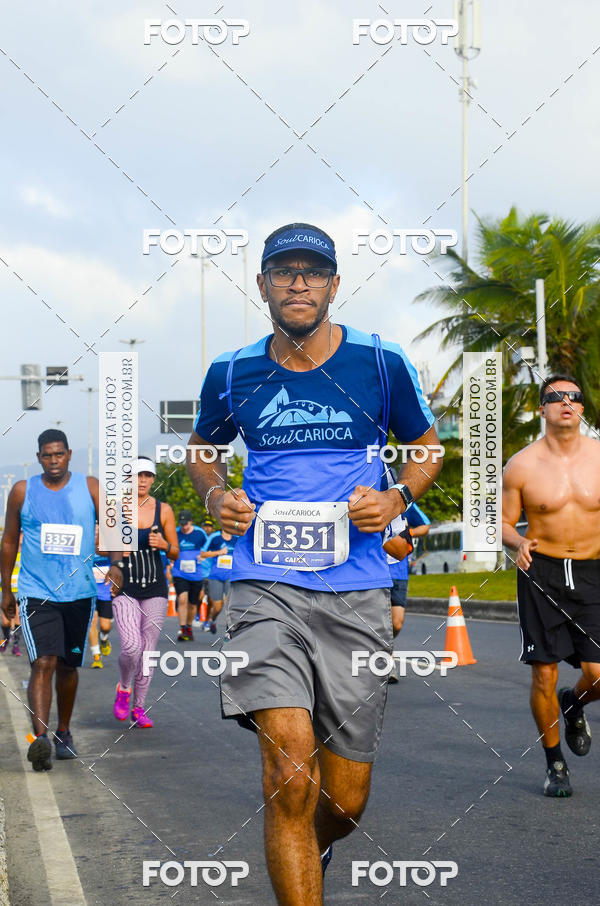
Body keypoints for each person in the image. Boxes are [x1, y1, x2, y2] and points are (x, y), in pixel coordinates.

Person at [187, 222, 442, 904]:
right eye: (284, 271)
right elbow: (201, 451)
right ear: (263, 284)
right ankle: (297, 839)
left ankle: (311, 840)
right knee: (291, 773)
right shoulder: (234, 371)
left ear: (333, 284)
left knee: (345, 801)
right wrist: (217, 497)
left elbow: (428, 448)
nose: (298, 283)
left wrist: (396, 498)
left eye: (312, 272)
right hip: (265, 584)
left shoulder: (380, 363)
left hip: (356, 590)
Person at [0, 429, 123, 771]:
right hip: (36, 590)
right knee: (43, 663)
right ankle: (40, 738)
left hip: (79, 592)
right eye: (46, 455)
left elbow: (113, 528)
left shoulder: (91, 487)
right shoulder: (23, 491)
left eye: (59, 454)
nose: (53, 461)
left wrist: (116, 565)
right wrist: (5, 589)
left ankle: (63, 733)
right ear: (39, 457)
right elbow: (9, 540)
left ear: (69, 454)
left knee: (68, 665)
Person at [502, 374, 600, 798]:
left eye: (573, 397)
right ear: (542, 409)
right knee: (544, 674)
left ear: (581, 409)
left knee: (598, 675)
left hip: (594, 572)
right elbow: (502, 523)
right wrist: (519, 541)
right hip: (542, 574)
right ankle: (554, 763)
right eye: (555, 397)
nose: (566, 402)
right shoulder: (521, 465)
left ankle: (574, 703)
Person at [111, 457, 179, 728]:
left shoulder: (164, 510)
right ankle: (124, 688)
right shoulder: (115, 509)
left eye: (147, 475)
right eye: (137, 475)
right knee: (131, 645)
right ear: (129, 477)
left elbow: (175, 550)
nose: (142, 480)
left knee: (148, 651)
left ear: (153, 479)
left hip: (155, 587)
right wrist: (115, 550)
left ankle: (139, 708)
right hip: (124, 585)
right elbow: (99, 547)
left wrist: (163, 544)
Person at [170, 510, 207, 642]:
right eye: (181, 524)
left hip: (196, 574)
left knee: (192, 604)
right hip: (179, 573)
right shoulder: (175, 533)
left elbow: (207, 549)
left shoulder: (199, 533)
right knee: (182, 599)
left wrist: (204, 558)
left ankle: (189, 627)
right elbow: (170, 549)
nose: (184, 527)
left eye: (186, 524)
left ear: (191, 522)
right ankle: (182, 628)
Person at [202, 525, 238, 632]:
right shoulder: (215, 537)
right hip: (216, 576)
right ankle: (212, 620)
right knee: (217, 606)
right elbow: (203, 554)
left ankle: (229, 630)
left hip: (231, 577)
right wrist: (219, 552)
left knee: (229, 603)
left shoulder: (236, 539)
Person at [88, 551, 113, 669]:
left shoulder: (109, 544)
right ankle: (96, 656)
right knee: (92, 621)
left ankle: (104, 638)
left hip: (106, 592)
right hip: (90, 591)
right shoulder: (86, 543)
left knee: (105, 626)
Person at [1, 537, 22, 656]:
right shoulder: (5, 552)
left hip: (19, 590)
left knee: (17, 617)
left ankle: (16, 645)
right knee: (5, 621)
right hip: (5, 590)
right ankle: (6, 638)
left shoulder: (26, 554)